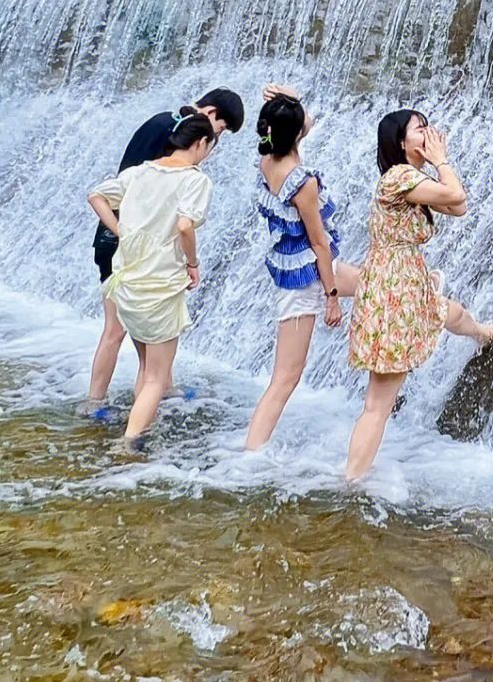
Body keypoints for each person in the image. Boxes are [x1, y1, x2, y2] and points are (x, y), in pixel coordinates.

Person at [344, 110, 493, 481]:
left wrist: (436, 167)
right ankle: (352, 481)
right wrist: (441, 161)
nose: (431, 134)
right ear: (401, 143)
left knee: (449, 312)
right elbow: (456, 193)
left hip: (402, 286)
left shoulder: (411, 180)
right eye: (420, 129)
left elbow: (459, 206)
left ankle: (483, 332)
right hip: (396, 290)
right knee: (378, 404)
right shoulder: (400, 177)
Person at [86, 88, 244, 407]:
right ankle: (97, 403)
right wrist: (126, 233)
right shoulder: (173, 135)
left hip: (117, 235)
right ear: (210, 113)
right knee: (118, 331)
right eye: (222, 129)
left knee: (142, 332)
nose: (216, 140)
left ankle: (158, 388)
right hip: (127, 243)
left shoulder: (163, 121)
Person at [88, 110, 216, 444]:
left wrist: (121, 232)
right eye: (210, 147)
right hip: (160, 288)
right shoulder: (194, 179)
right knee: (157, 378)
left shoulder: (140, 172)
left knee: (147, 369)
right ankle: (129, 443)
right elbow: (185, 226)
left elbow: (96, 196)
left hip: (127, 285)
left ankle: (141, 427)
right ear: (200, 143)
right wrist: (192, 262)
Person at [244, 89, 361, 450]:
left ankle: (446, 311)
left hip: (292, 264)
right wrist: (331, 299)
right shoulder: (304, 182)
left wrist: (288, 100)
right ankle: (249, 455)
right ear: (296, 135)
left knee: (378, 282)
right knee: (285, 379)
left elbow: (303, 122)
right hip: (307, 276)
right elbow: (319, 243)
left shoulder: (266, 160)